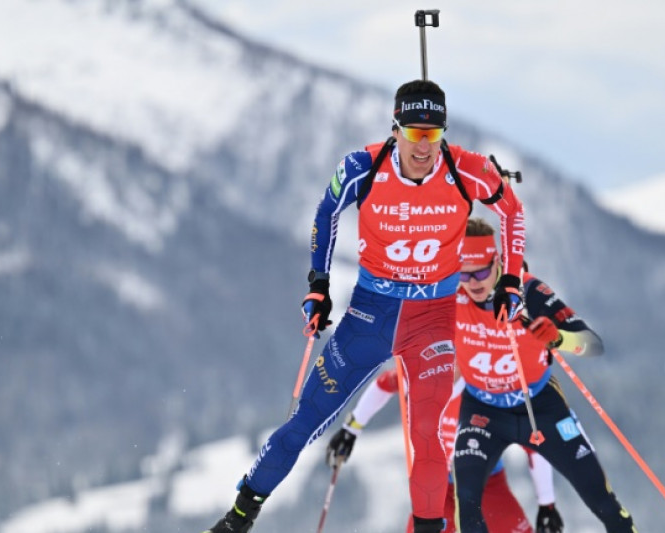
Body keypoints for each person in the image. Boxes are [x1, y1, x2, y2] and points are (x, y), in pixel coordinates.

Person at [205, 80, 526, 533]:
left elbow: (512, 212)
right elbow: (326, 212)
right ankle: (239, 517)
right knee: (305, 423)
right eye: (414, 134)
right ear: (396, 129)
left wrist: (510, 279)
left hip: (432, 322)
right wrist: (318, 285)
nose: (423, 147)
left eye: (433, 136)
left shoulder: (466, 171)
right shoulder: (363, 166)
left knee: (428, 440)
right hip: (369, 317)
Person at [452, 218, 638, 533]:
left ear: (497, 262)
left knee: (601, 499)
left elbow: (593, 344)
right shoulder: (448, 296)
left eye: (481, 271)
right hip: (482, 411)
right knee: (467, 505)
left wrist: (558, 339)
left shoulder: (529, 291)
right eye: (464, 274)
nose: (473, 283)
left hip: (539, 406)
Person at [325, 366, 566, 533]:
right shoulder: (419, 376)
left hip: (486, 485)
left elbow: (533, 446)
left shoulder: (484, 388)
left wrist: (547, 504)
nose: (447, 363)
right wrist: (351, 429)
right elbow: (384, 384)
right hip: (436, 488)